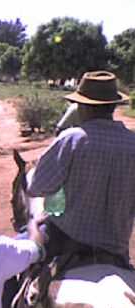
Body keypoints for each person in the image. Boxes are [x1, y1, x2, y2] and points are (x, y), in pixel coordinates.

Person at [27, 71, 135, 268]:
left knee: (20, 252)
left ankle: (10, 297)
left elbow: (37, 187)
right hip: (116, 248)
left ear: (83, 107)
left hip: (67, 240)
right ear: (112, 106)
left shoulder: (73, 139)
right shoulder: (133, 143)